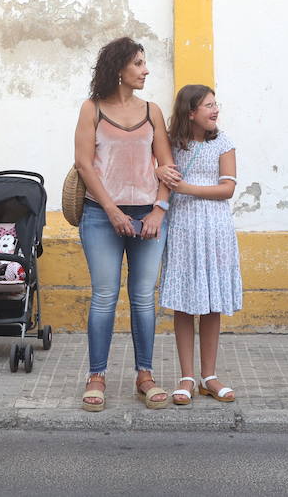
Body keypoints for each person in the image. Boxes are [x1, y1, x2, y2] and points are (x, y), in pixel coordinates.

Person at [73, 37, 175, 412]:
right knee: (103, 298)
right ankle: (96, 375)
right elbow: (85, 164)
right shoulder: (92, 109)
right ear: (119, 69)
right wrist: (113, 211)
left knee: (143, 300)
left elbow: (167, 166)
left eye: (145, 63)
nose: (145, 70)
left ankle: (144, 375)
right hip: (101, 216)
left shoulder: (153, 110)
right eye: (138, 64)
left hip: (149, 216)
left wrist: (159, 211)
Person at [159, 84, 241, 407]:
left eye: (215, 104)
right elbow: (160, 174)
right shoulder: (171, 143)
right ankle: (186, 377)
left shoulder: (223, 142)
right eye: (208, 105)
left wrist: (187, 188)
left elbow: (228, 189)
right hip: (182, 228)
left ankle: (209, 376)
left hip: (215, 227)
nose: (215, 110)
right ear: (190, 112)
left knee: (211, 303)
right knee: (184, 302)